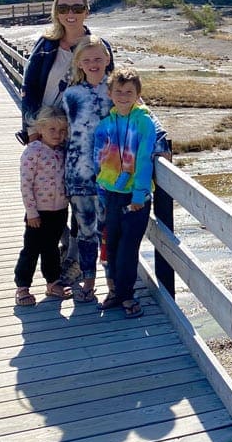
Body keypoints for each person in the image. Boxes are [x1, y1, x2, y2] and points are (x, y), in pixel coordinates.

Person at [62, 38, 169, 305]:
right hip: (79, 173)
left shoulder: (117, 89)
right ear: (78, 63)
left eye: (98, 58)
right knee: (85, 231)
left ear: (107, 59)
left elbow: (147, 118)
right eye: (86, 60)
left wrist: (162, 144)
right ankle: (88, 280)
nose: (93, 64)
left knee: (108, 234)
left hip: (110, 179)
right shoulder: (71, 95)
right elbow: (57, 124)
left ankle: (113, 286)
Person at [18, 0, 113, 282]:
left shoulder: (96, 45)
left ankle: (72, 259)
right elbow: (29, 89)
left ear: (86, 10)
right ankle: (54, 250)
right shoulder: (45, 45)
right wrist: (33, 130)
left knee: (78, 198)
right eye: (63, 8)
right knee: (48, 194)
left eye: (76, 8)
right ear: (56, 12)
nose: (70, 14)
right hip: (47, 133)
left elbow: (111, 90)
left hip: (82, 138)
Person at [93, 67, 158, 318]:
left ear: (137, 94)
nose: (123, 96)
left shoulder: (144, 122)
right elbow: (98, 157)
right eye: (118, 92)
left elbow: (144, 160)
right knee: (114, 244)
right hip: (110, 193)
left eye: (129, 92)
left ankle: (127, 294)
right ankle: (117, 292)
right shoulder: (106, 124)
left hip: (135, 197)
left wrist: (139, 196)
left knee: (129, 247)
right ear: (110, 93)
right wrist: (101, 187)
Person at [14, 108, 71, 307]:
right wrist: (31, 212)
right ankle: (22, 287)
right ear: (41, 129)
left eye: (63, 130)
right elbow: (26, 184)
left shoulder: (63, 151)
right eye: (52, 129)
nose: (58, 134)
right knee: (31, 249)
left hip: (60, 210)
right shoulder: (33, 152)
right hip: (38, 212)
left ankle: (52, 282)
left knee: (51, 249)